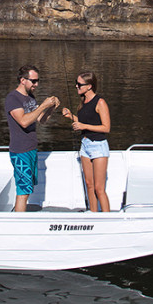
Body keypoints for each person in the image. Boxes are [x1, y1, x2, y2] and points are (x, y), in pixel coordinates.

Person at [5, 65, 59, 213]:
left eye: (37, 81)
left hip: (31, 148)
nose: (36, 84)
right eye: (33, 81)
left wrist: (51, 108)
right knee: (23, 190)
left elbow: (41, 119)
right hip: (20, 150)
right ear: (23, 80)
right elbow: (23, 121)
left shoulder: (30, 97)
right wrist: (43, 105)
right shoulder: (13, 98)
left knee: (28, 188)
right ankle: (20, 223)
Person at [61, 71, 111, 212]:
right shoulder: (83, 101)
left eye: (80, 84)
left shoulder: (100, 102)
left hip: (98, 146)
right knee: (89, 184)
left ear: (89, 86)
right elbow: (83, 122)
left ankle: (108, 219)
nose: (76, 86)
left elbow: (106, 127)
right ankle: (93, 214)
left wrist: (83, 126)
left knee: (99, 188)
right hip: (85, 146)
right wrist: (71, 116)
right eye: (76, 83)